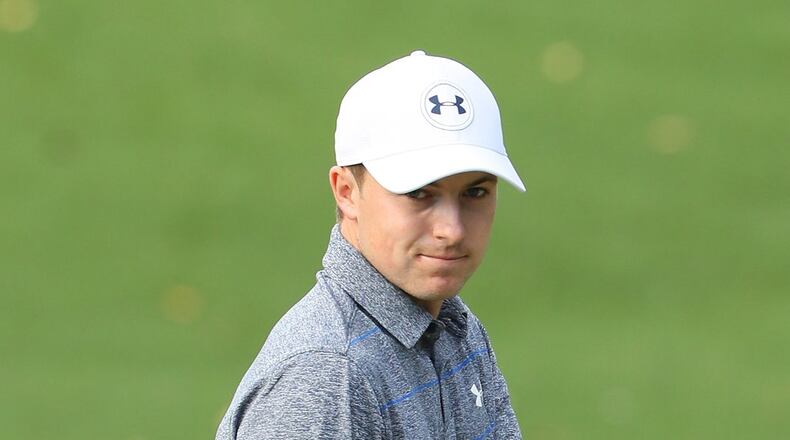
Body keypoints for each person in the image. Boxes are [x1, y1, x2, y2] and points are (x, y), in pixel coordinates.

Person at [216, 50, 526, 439]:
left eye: (475, 192)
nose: (452, 230)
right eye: (419, 193)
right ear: (347, 192)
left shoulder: (456, 328)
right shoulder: (326, 377)